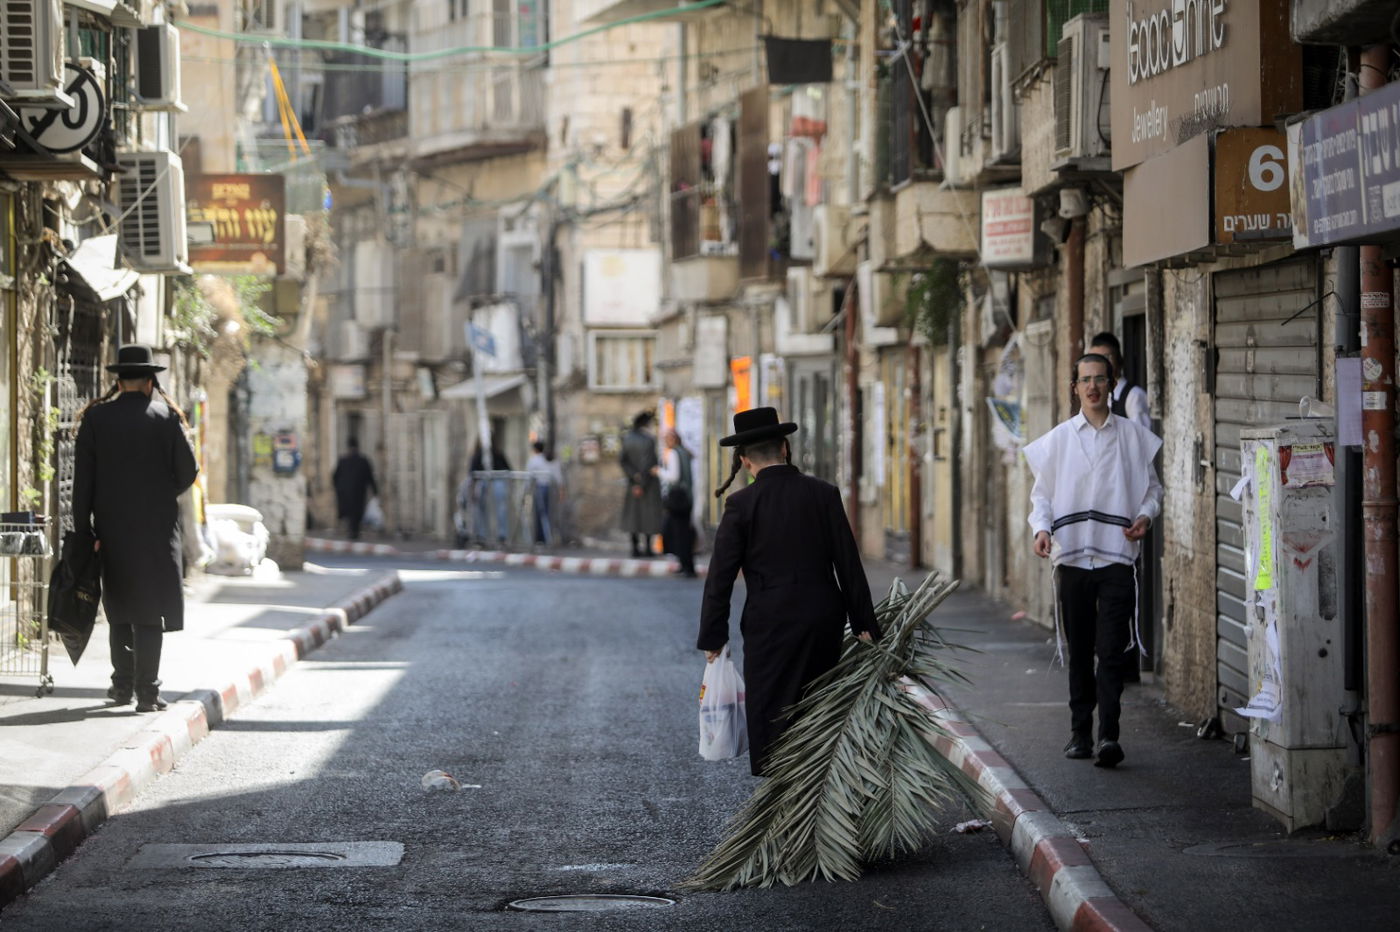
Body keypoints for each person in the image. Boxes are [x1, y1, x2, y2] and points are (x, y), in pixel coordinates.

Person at [697, 407, 880, 776]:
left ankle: (783, 794)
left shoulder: (741, 505)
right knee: (819, 702)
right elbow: (848, 564)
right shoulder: (824, 494)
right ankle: (818, 784)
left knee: (773, 709)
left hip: (770, 624)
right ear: (784, 448)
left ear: (745, 460)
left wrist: (713, 637)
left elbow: (720, 577)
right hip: (822, 620)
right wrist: (866, 624)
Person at [1024, 353, 1163, 769]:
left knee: (1111, 651)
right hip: (1072, 561)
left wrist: (1145, 516)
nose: (1092, 387)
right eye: (1085, 380)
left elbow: (1153, 491)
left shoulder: (1134, 438)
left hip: (1117, 558)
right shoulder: (1059, 440)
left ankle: (1109, 736)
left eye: (1100, 379)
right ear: (1075, 388)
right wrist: (1041, 529)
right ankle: (1080, 733)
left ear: (1112, 385)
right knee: (1081, 650)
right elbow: (1041, 497)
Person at [72, 344, 199, 713]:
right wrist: (162, 493)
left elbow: (83, 483)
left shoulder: (96, 419)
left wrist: (85, 532)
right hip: (157, 529)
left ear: (119, 379)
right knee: (150, 608)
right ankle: (147, 692)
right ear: (149, 380)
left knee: (119, 604)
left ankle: (122, 685)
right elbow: (188, 472)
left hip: (111, 529)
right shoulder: (166, 418)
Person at [1088, 332, 1152, 431]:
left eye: (1106, 357)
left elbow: (1142, 441)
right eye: (1095, 359)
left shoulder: (1134, 396)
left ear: (1119, 359)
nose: (1100, 364)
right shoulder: (1095, 396)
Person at [619, 411, 662, 557]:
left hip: (632, 483)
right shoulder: (648, 440)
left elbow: (623, 461)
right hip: (648, 484)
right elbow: (648, 462)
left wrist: (633, 477)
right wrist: (642, 483)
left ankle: (634, 548)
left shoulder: (627, 438)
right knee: (648, 517)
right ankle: (649, 548)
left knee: (633, 517)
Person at [659, 428, 697, 577]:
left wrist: (659, 472)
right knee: (682, 532)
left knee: (679, 533)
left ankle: (687, 566)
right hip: (686, 498)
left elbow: (674, 477)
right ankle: (685, 565)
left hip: (677, 498)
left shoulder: (674, 453)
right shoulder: (684, 452)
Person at [332, 437, 378, 540]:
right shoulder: (363, 461)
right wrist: (375, 491)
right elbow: (370, 477)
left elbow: (335, 477)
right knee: (357, 513)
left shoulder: (343, 461)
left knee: (350, 513)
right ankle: (354, 532)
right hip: (359, 493)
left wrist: (339, 489)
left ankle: (352, 532)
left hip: (346, 494)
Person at [470, 439, 512, 547]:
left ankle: (501, 536)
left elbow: (507, 469)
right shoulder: (479, 455)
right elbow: (472, 473)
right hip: (483, 485)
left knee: (500, 509)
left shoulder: (497, 454)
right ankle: (481, 535)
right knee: (481, 510)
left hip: (497, 482)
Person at [525, 440, 563, 546]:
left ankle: (542, 539)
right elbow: (558, 477)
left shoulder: (534, 460)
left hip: (540, 488)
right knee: (549, 513)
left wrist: (526, 491)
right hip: (552, 489)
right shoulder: (551, 460)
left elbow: (529, 477)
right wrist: (561, 491)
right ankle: (548, 537)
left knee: (540, 514)